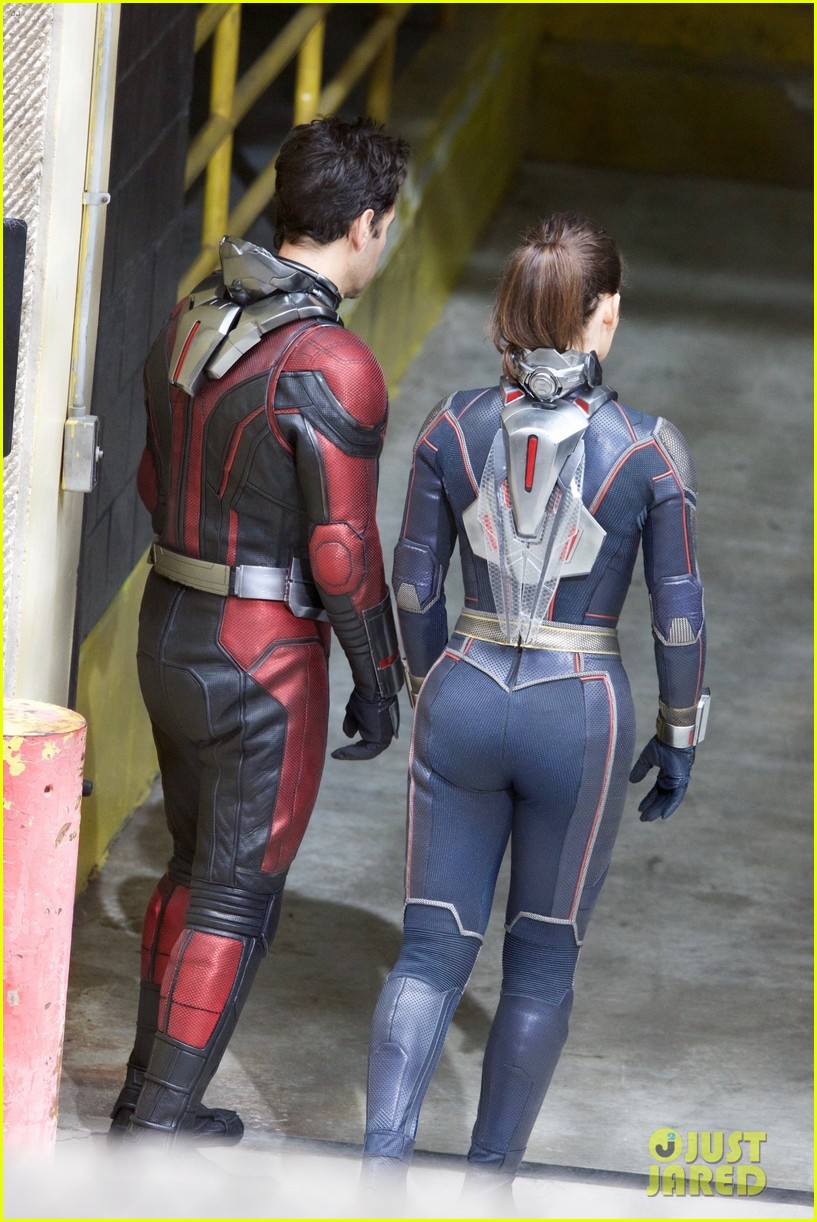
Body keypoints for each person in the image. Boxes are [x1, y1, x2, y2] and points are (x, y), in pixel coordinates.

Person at [361, 212, 710, 1203]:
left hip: (465, 686)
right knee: (542, 963)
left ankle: (377, 1179)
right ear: (604, 313)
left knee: (429, 951)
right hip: (579, 707)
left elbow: (414, 585)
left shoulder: (449, 424)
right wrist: (679, 733)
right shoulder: (649, 451)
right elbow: (678, 615)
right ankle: (486, 1192)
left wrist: (428, 686)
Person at [109, 116, 410, 1147]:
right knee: (236, 894)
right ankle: (159, 1120)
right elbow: (343, 553)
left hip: (167, 623)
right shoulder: (332, 361)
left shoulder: (192, 316)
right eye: (386, 226)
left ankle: (147, 1094)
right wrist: (380, 679)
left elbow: (152, 481)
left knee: (190, 867)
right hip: (262, 654)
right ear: (364, 223)